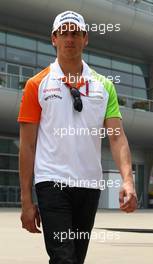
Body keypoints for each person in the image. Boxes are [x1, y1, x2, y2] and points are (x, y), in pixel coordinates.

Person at [17, 10, 137, 264]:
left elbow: (116, 137)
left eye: (75, 33)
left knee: (74, 258)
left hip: (88, 186)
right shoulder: (36, 85)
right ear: (54, 39)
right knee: (64, 258)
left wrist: (128, 180)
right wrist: (26, 201)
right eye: (64, 33)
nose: (69, 38)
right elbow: (27, 146)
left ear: (85, 39)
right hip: (52, 183)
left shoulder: (104, 86)